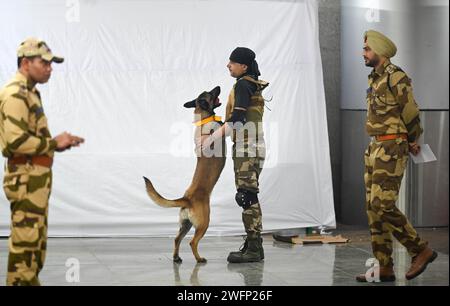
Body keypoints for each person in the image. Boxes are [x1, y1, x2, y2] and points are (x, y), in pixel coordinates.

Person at [0, 38, 85, 286]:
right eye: (44, 63)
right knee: (25, 247)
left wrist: (59, 143)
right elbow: (15, 142)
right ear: (26, 63)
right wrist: (53, 143)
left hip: (34, 180)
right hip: (26, 180)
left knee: (34, 246)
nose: (49, 68)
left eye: (51, 64)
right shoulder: (15, 94)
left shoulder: (29, 92)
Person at [356, 30, 437, 282]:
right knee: (373, 209)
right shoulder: (375, 79)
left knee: (383, 204)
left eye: (367, 49)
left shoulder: (396, 77)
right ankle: (385, 266)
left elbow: (411, 111)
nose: (364, 53)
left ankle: (419, 249)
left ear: (379, 51)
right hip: (375, 147)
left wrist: (413, 139)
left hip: (392, 147)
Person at [201, 47, 269, 263]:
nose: (228, 65)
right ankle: (253, 244)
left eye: (232, 62)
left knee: (246, 195)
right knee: (248, 194)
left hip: (247, 148)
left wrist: (210, 140)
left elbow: (237, 121)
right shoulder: (251, 83)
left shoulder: (242, 84)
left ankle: (254, 249)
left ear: (244, 66)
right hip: (252, 145)